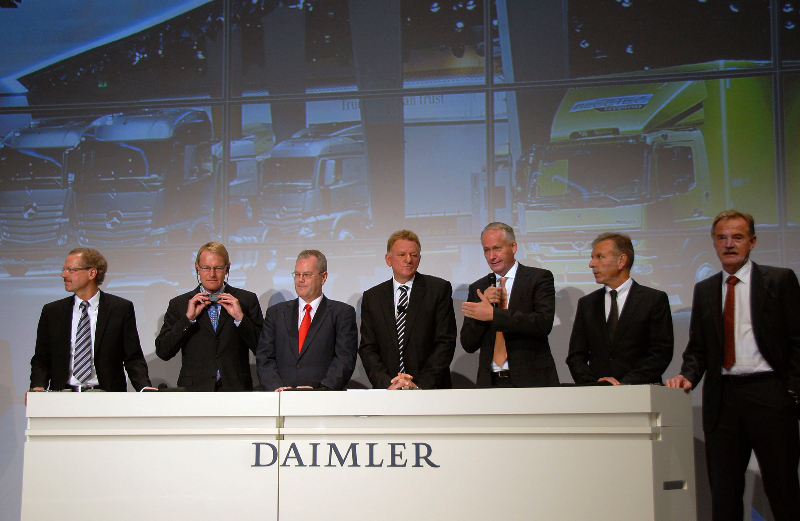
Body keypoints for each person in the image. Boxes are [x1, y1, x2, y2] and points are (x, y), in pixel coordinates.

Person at [666, 210, 800, 521]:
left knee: (783, 490)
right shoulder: (705, 289)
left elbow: (798, 338)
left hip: (770, 395)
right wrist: (688, 375)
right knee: (724, 494)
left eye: (737, 237)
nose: (729, 244)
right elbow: (698, 348)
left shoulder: (780, 280)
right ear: (714, 243)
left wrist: (792, 392)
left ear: (752, 242)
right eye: (722, 238)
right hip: (723, 400)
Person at [29, 248, 153, 392]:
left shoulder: (120, 308)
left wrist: (144, 388)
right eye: (64, 269)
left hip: (107, 395)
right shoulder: (52, 311)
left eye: (71, 270)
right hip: (63, 395)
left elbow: (133, 357)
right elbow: (42, 359)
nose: (64, 275)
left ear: (92, 273)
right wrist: (38, 387)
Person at [567, 232, 673, 385]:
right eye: (592, 257)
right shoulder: (587, 303)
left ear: (621, 260)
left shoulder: (653, 300)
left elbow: (660, 354)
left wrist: (622, 384)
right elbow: (576, 356)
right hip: (596, 393)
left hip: (639, 392)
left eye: (600, 257)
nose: (591, 264)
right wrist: (595, 384)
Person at [460, 222, 558, 388]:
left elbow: (543, 323)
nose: (492, 256)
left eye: (497, 248)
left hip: (532, 380)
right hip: (490, 382)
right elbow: (468, 344)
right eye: (486, 250)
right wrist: (483, 310)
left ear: (513, 247)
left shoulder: (538, 278)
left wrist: (494, 315)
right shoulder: (478, 288)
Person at [156, 242, 263, 391]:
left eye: (218, 268)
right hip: (194, 391)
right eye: (206, 268)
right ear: (197, 268)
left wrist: (241, 319)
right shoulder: (179, 304)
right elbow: (163, 351)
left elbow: (263, 349)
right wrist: (187, 320)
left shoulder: (246, 300)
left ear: (227, 268)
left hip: (236, 389)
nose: (212, 274)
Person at [359, 230, 457, 390]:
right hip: (389, 391)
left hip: (430, 390)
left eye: (413, 255)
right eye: (401, 254)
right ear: (388, 259)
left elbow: (445, 342)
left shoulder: (438, 290)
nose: (408, 260)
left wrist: (420, 385)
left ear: (419, 259)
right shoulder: (372, 297)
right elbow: (368, 348)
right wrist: (388, 384)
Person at [256, 250, 357, 391]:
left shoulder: (341, 313)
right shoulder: (276, 313)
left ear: (324, 277)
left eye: (307, 275)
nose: (300, 280)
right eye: (297, 274)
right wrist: (277, 388)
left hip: (322, 397)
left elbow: (345, 359)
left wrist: (320, 389)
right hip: (281, 397)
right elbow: (264, 357)